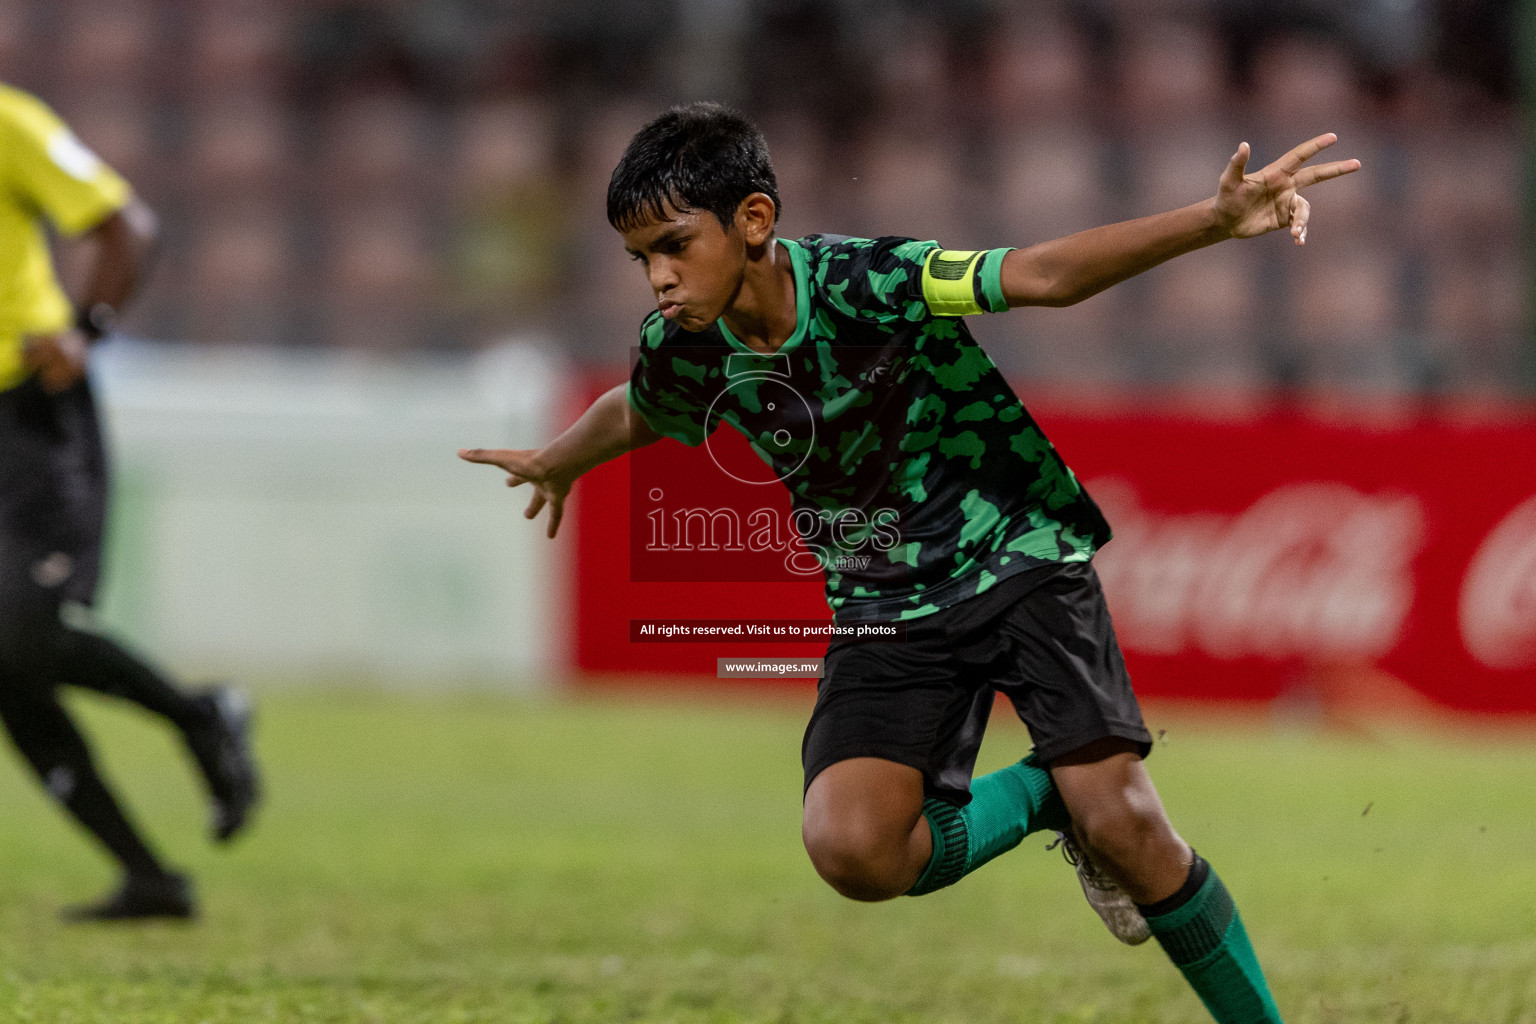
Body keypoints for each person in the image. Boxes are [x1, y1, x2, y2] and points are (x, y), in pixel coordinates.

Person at [461, 102, 1358, 1022]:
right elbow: (640, 407)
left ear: (755, 222)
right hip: (883, 600)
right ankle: (1045, 797)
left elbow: (1043, 276)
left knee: (1126, 824)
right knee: (853, 850)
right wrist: (558, 458)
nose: (657, 276)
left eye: (675, 246)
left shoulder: (875, 279)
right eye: (640, 257)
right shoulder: (687, 347)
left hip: (1017, 554)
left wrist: (1212, 220)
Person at [0, 83, 261, 922]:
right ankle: (150, 879)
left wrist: (88, 328)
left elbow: (126, 227)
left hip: (30, 411)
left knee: (17, 629)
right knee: (6, 668)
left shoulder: (8, 122)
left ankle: (199, 715)